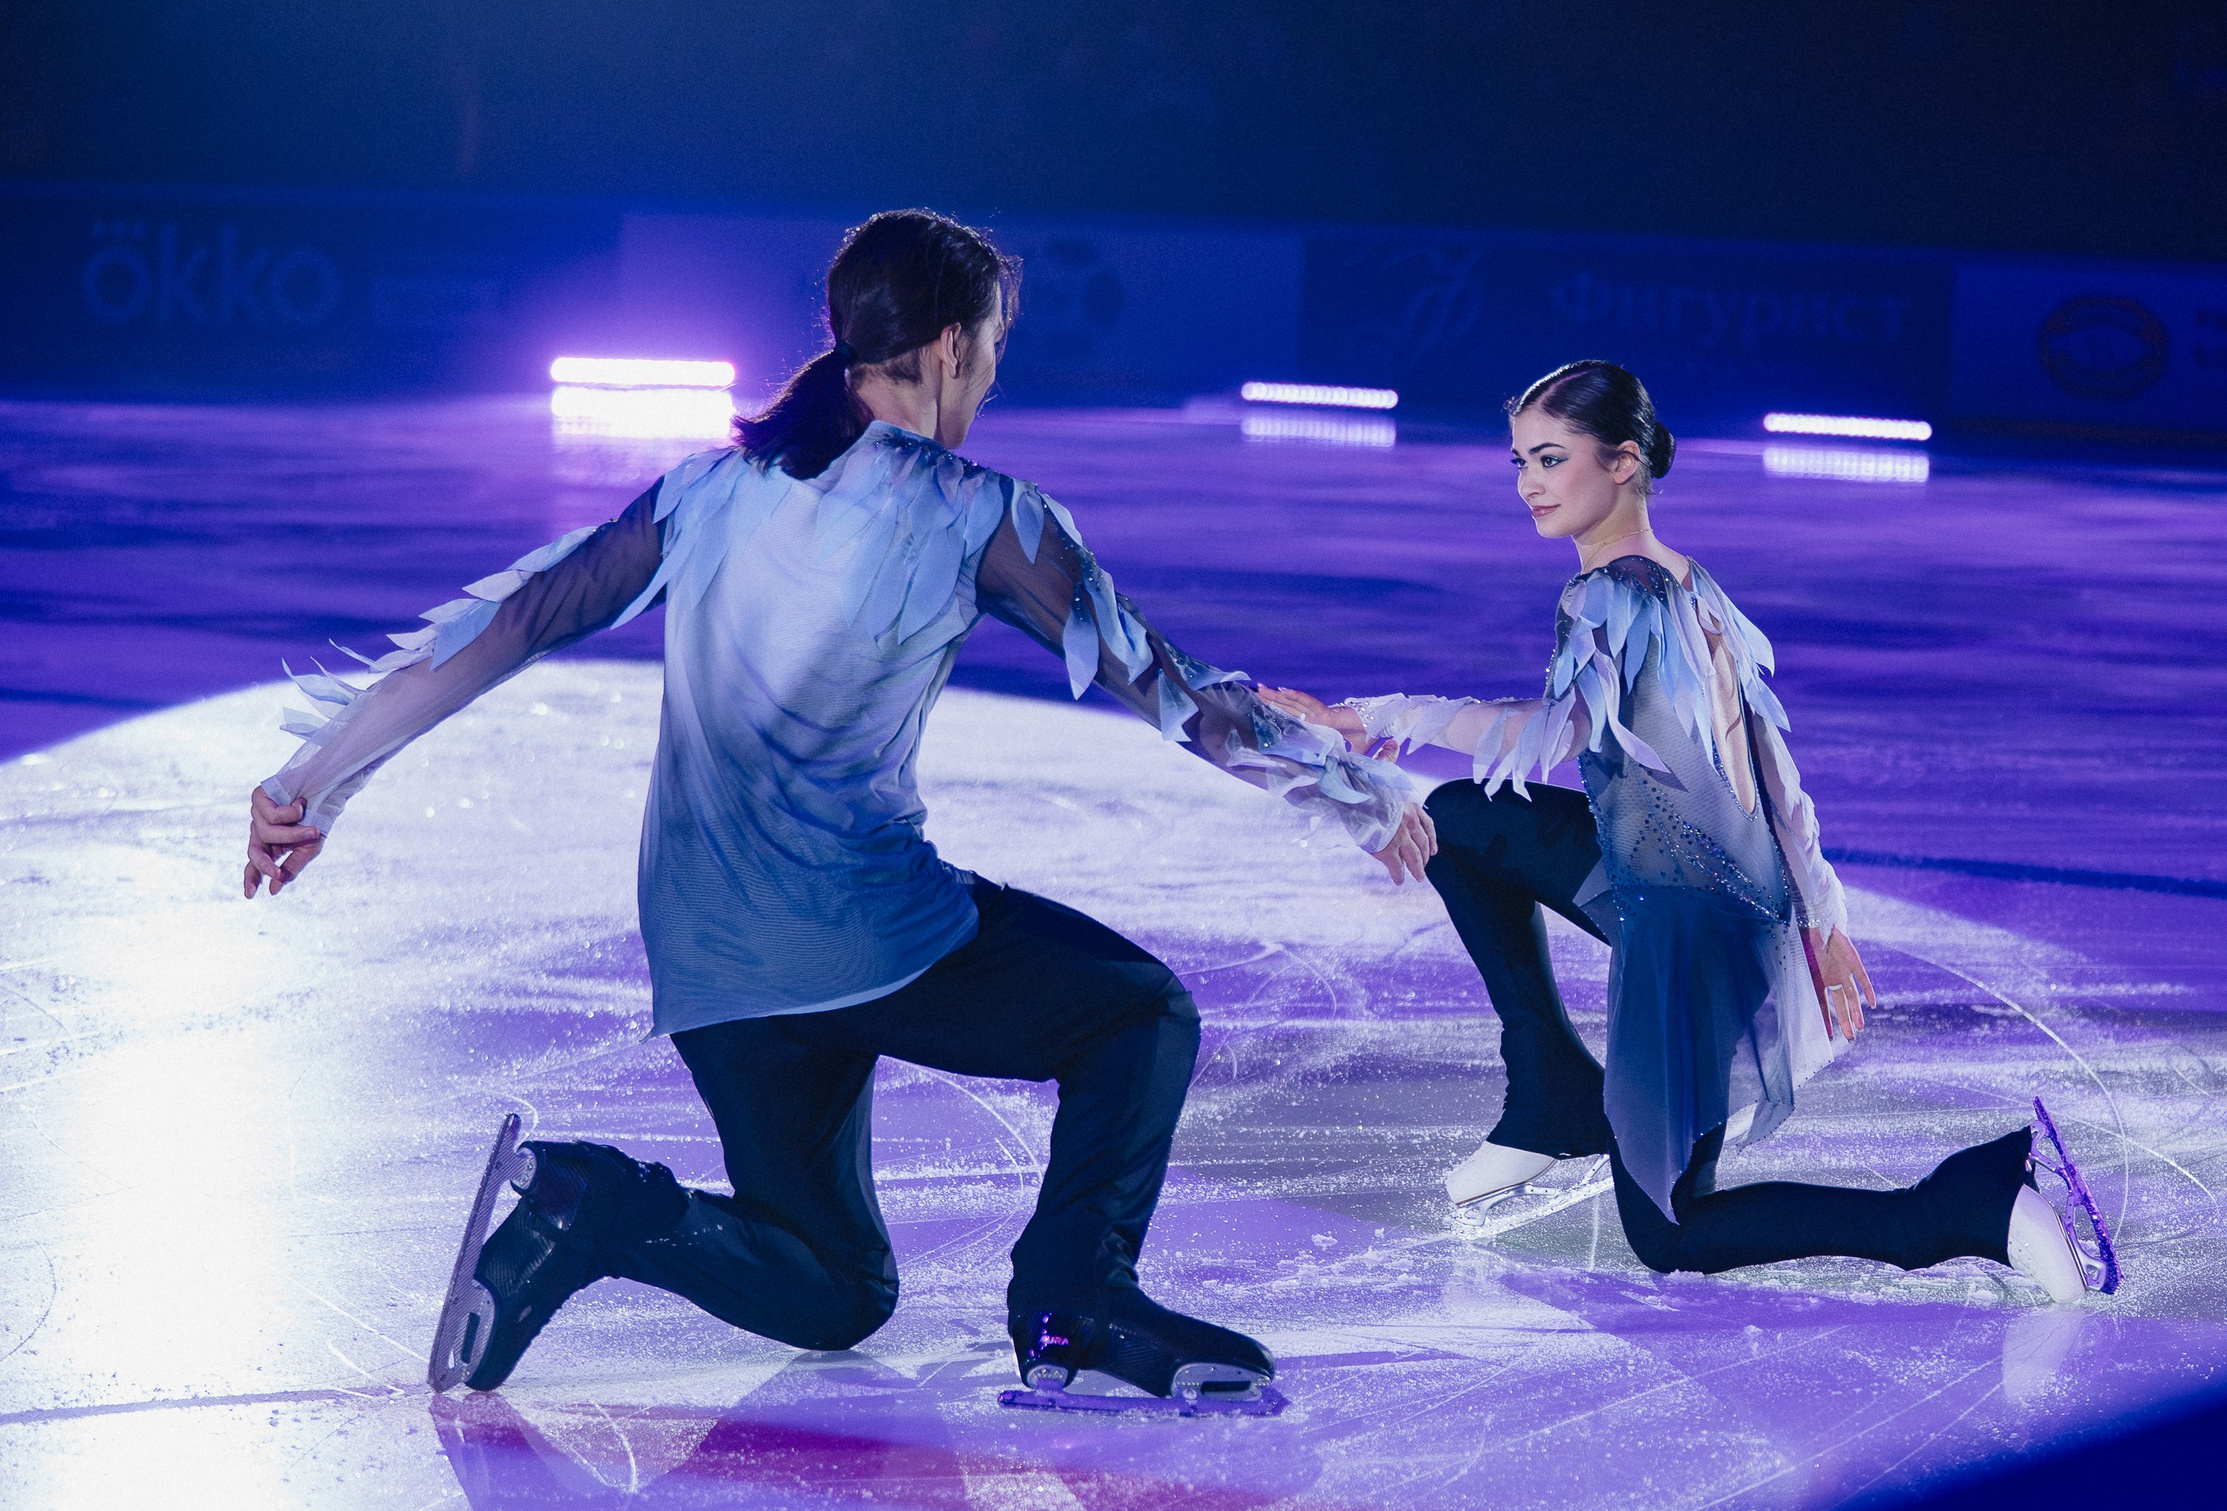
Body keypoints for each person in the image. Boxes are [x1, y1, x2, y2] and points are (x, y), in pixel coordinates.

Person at [242, 210, 1437, 1405]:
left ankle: (590, 1206)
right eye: (996, 344)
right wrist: (1355, 786)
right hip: (862, 931)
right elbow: (1167, 689)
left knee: (833, 1288)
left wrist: (310, 785)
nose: (995, 375)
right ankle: (1076, 1300)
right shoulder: (977, 510)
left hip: (712, 962)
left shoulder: (706, 493)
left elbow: (512, 621)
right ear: (954, 346)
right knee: (1138, 1018)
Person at [1263, 361, 2113, 1300]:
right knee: (1461, 818)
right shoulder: (1690, 581)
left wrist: (1373, 715)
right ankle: (1549, 1087)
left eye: (1552, 459)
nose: (1529, 485)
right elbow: (1774, 772)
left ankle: (1960, 1211)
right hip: (1701, 887)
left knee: (1669, 1232)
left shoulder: (1605, 594)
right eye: (1519, 462)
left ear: (1622, 461)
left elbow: (1555, 734)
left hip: (1688, 925)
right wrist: (1821, 915)